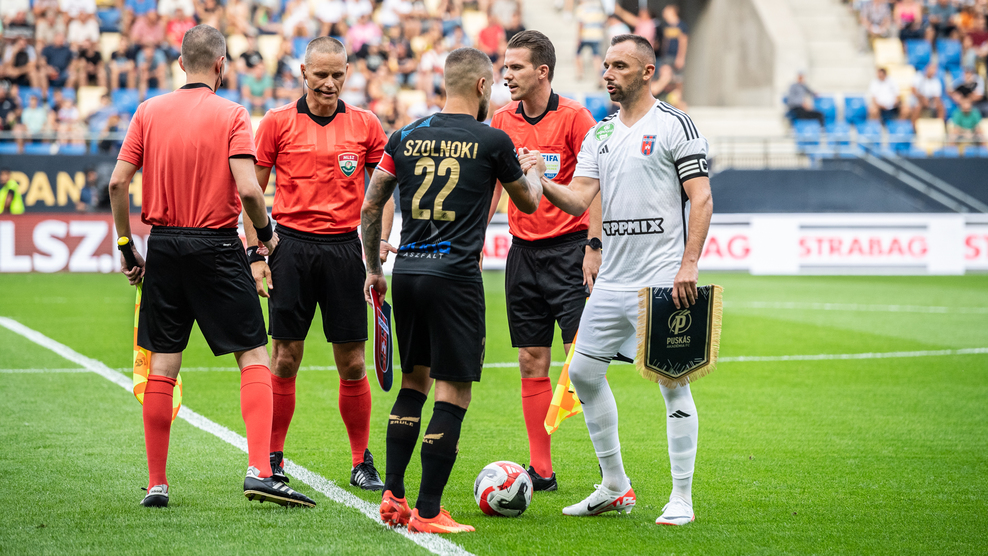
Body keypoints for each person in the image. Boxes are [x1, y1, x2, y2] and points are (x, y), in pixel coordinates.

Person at [107, 24, 315, 510]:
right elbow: (249, 189)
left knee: (163, 364)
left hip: (164, 246)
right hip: (217, 245)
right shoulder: (232, 113)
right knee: (254, 356)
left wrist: (126, 247)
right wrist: (266, 237)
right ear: (221, 65)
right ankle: (260, 470)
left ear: (182, 64)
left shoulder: (148, 110)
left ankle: (157, 484)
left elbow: (117, 184)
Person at [521, 34, 712, 526]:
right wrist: (542, 180)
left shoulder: (675, 124)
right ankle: (614, 486)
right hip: (610, 283)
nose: (608, 74)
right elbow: (579, 198)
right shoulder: (600, 134)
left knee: (673, 382)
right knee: (584, 374)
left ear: (647, 72)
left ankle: (681, 497)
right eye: (606, 65)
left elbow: (701, 197)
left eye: (620, 66)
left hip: (661, 281)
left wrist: (688, 264)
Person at [361, 46, 544, 534]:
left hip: (408, 273)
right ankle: (428, 512)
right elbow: (527, 203)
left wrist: (373, 266)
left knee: (412, 384)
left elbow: (371, 204)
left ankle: (392, 496)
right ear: (483, 86)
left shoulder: (404, 136)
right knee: (453, 391)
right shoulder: (493, 139)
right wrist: (536, 171)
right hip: (456, 278)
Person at [243, 36, 390, 492]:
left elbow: (384, 190)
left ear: (347, 73)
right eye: (321, 74)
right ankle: (273, 456)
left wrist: (379, 242)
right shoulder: (276, 122)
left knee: (353, 362)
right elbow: (252, 193)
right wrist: (257, 253)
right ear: (303, 72)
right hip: (290, 248)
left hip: (346, 250)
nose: (329, 83)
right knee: (285, 357)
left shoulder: (365, 123)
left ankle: (360, 460)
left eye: (337, 74)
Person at [488, 30, 600, 493]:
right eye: (505, 66)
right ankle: (542, 470)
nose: (506, 75)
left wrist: (594, 246)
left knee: (585, 366)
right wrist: (476, 239)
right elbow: (493, 185)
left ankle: (609, 472)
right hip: (523, 253)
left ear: (542, 72)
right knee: (531, 358)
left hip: (571, 252)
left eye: (515, 67)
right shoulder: (501, 120)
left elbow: (598, 183)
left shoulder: (575, 117)